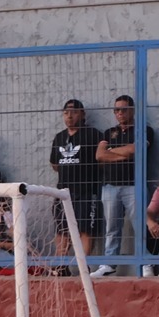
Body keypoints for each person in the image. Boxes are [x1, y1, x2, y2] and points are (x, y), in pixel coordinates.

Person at [95, 95, 154, 275]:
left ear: (132, 110)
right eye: (116, 110)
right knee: (112, 228)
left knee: (140, 225)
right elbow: (99, 155)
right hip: (110, 187)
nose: (119, 113)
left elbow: (136, 150)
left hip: (133, 185)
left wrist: (112, 152)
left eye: (123, 109)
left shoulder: (144, 130)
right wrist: (123, 154)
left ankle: (145, 263)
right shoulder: (108, 133)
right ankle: (109, 265)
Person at [50, 98, 105, 270]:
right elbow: (54, 164)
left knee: (85, 228)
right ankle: (61, 266)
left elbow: (102, 159)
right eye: (66, 113)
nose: (69, 116)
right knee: (62, 229)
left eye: (73, 112)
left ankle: (83, 265)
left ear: (82, 114)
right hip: (63, 191)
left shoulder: (93, 134)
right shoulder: (60, 137)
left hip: (87, 190)